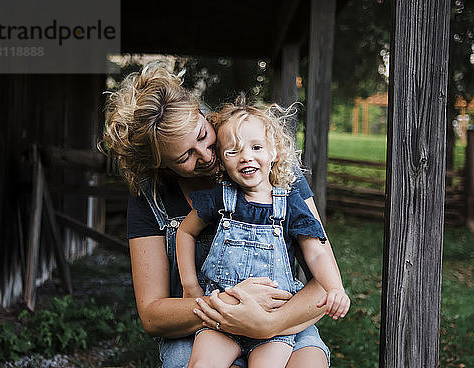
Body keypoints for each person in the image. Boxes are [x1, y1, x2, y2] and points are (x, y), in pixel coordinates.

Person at [102, 61, 338, 368]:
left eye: (202, 134)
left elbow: (324, 277)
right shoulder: (152, 195)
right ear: (161, 165)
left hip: (283, 320)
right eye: (185, 156)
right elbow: (152, 315)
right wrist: (224, 303)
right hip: (202, 326)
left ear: (201, 112)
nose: (206, 155)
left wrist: (267, 324)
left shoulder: (269, 167)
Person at [176, 97, 350, 368]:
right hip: (223, 318)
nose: (246, 156)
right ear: (221, 161)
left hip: (273, 319)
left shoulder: (290, 203)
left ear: (275, 152)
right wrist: (191, 287)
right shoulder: (221, 199)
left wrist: (335, 287)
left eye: (256, 147)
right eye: (233, 151)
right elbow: (184, 233)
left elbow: (316, 250)